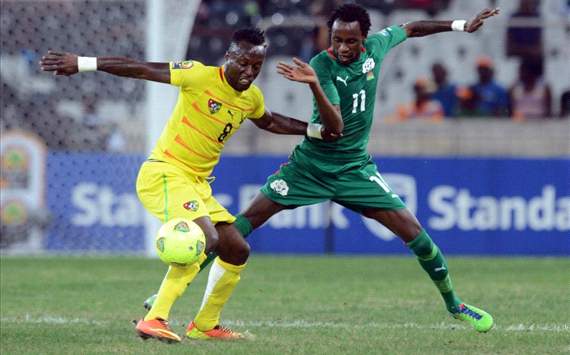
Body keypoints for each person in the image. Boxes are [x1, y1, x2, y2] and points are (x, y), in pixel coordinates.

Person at [145, 3, 500, 334]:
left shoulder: (377, 47)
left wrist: (459, 25)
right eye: (337, 40)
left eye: (351, 41)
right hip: (310, 166)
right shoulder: (323, 65)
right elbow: (335, 125)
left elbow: (412, 28)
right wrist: (315, 83)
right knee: (237, 228)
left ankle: (455, 304)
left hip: (354, 169)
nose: (343, 48)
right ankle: (165, 296)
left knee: (417, 235)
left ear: (365, 39)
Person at [40, 28, 338, 342]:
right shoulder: (198, 76)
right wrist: (85, 63)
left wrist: (315, 131)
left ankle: (205, 325)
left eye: (256, 67)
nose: (249, 72)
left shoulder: (251, 97)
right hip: (165, 173)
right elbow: (142, 68)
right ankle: (155, 317)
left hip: (196, 184)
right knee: (205, 236)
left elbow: (270, 121)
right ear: (228, 57)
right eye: (244, 64)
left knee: (236, 248)